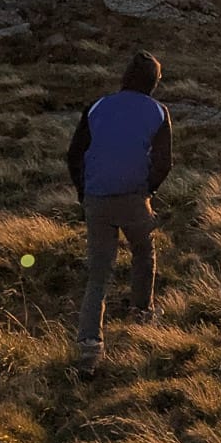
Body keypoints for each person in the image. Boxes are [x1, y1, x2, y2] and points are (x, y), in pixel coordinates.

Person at [66, 50, 173, 373]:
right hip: (133, 198)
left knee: (98, 273)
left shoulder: (98, 106)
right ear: (154, 82)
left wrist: (84, 193)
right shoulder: (158, 111)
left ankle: (89, 347)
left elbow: (74, 154)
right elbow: (164, 162)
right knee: (143, 250)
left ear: (125, 76)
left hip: (97, 199)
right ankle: (142, 312)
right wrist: (147, 190)